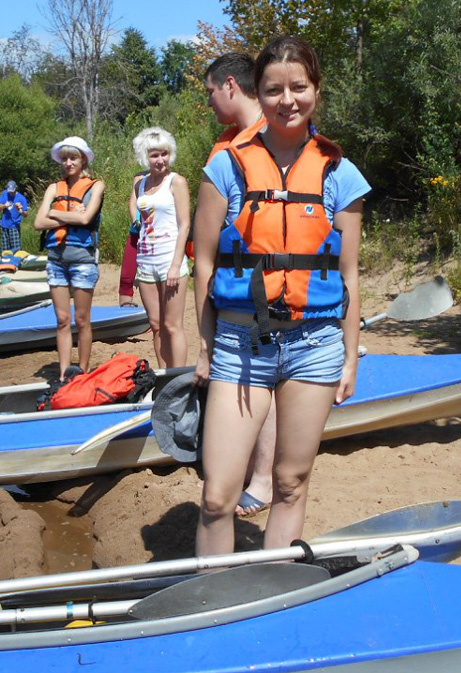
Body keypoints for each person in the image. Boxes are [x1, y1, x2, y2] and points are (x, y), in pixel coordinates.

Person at [193, 36, 369, 555]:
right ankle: (212, 602)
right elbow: (203, 261)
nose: (286, 100)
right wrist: (205, 345)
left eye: (299, 87)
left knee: (291, 483)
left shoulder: (340, 172)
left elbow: (350, 276)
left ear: (316, 89)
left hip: (315, 345)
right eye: (273, 89)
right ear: (258, 92)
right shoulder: (226, 166)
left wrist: (350, 361)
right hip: (238, 345)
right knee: (216, 495)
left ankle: (274, 587)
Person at [203, 52, 275, 518]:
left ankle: (264, 479)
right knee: (246, 381)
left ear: (230, 85)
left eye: (210, 92)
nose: (209, 101)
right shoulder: (228, 143)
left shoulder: (272, 138)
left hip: (266, 295)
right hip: (232, 291)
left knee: (263, 380)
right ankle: (250, 468)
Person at [34, 136, 106, 380]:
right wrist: (65, 213)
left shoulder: (96, 186)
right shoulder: (54, 189)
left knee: (82, 318)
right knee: (62, 319)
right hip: (56, 259)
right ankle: (65, 373)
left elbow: (86, 219)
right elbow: (38, 222)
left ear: (82, 159)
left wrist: (54, 214)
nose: (68, 163)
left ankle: (83, 371)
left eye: (73, 157)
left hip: (82, 260)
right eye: (64, 158)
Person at [129, 127, 190, 368]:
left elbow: (184, 225)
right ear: (145, 157)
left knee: (172, 326)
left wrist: (175, 265)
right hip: (146, 262)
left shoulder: (177, 182)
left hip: (170, 260)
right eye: (154, 155)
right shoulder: (140, 185)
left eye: (164, 154)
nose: (160, 160)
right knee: (155, 325)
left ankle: (180, 378)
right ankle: (165, 378)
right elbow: (139, 220)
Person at [0, 180, 28, 255]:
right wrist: (4, 205)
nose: (11, 193)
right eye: (9, 191)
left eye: (12, 191)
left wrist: (20, 209)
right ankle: (4, 265)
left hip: (14, 226)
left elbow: (25, 214)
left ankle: (16, 265)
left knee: (16, 251)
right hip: (4, 225)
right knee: (4, 252)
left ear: (16, 188)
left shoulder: (21, 198)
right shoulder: (4, 193)